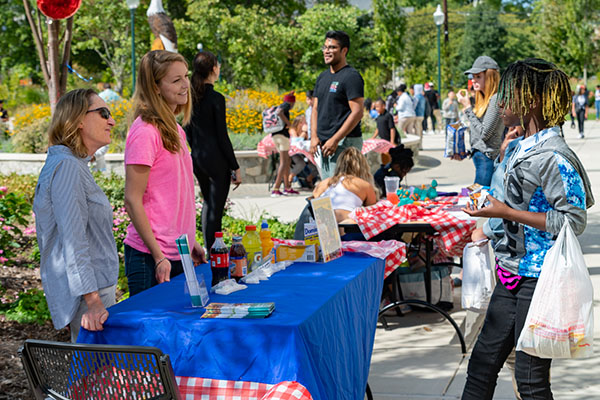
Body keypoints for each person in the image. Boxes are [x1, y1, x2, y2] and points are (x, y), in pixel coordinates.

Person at [461, 58, 594, 400]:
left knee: (531, 381)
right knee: (481, 367)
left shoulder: (555, 156)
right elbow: (515, 200)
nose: (499, 103)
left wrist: (505, 211)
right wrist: (492, 213)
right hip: (511, 273)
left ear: (531, 99)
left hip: (541, 279)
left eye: (506, 95)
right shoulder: (521, 144)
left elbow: (572, 220)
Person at [33, 88, 119, 342]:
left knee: (95, 378)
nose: (111, 120)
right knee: (95, 378)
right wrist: (93, 302)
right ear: (78, 119)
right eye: (103, 113)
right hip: (90, 299)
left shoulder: (72, 163)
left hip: (93, 294)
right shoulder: (68, 166)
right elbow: (73, 241)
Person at [123, 50, 206, 297]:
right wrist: (159, 256)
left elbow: (174, 193)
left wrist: (190, 243)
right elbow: (132, 199)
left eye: (186, 76)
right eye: (176, 80)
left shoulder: (176, 129)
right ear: (155, 87)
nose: (185, 85)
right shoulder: (146, 132)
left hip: (177, 253)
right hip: (151, 258)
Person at [185, 50, 241, 252]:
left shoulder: (190, 96)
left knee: (208, 204)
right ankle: (214, 253)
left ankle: (209, 250)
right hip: (217, 159)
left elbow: (186, 130)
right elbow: (222, 136)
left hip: (198, 158)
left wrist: (196, 150)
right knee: (215, 210)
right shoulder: (216, 98)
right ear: (213, 69)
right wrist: (235, 167)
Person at [310, 30, 365, 179]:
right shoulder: (322, 77)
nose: (327, 51)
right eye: (325, 47)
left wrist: (335, 139)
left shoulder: (351, 76)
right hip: (324, 145)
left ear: (344, 50)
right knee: (329, 189)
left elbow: (357, 112)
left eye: (333, 47)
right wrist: (314, 137)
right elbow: (315, 109)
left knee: (343, 191)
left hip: (344, 143)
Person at [457, 56, 505, 187]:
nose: (473, 80)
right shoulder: (484, 99)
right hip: (481, 157)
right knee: (479, 199)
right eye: (473, 77)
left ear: (490, 77)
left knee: (479, 200)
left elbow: (485, 134)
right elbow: (480, 134)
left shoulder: (496, 99)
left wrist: (467, 108)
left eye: (478, 76)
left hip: (487, 158)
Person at [312, 147, 377, 224]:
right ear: (362, 166)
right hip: (347, 229)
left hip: (323, 228)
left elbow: (314, 205)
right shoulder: (364, 185)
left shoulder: (322, 184)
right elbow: (372, 211)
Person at [269, 91, 298, 196]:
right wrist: (289, 124)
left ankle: (287, 187)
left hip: (275, 136)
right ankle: (276, 188)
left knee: (287, 161)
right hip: (282, 137)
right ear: (291, 102)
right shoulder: (285, 105)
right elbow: (280, 112)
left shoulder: (279, 105)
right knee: (283, 162)